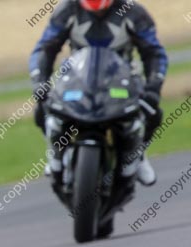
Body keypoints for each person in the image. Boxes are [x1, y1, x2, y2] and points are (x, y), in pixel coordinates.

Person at [30, 0, 168, 192]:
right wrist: (40, 81)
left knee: (151, 111)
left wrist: (153, 87)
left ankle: (137, 154)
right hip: (77, 81)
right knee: (44, 108)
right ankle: (56, 154)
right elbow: (45, 47)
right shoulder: (67, 9)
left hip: (122, 82)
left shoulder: (134, 11)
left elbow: (154, 53)